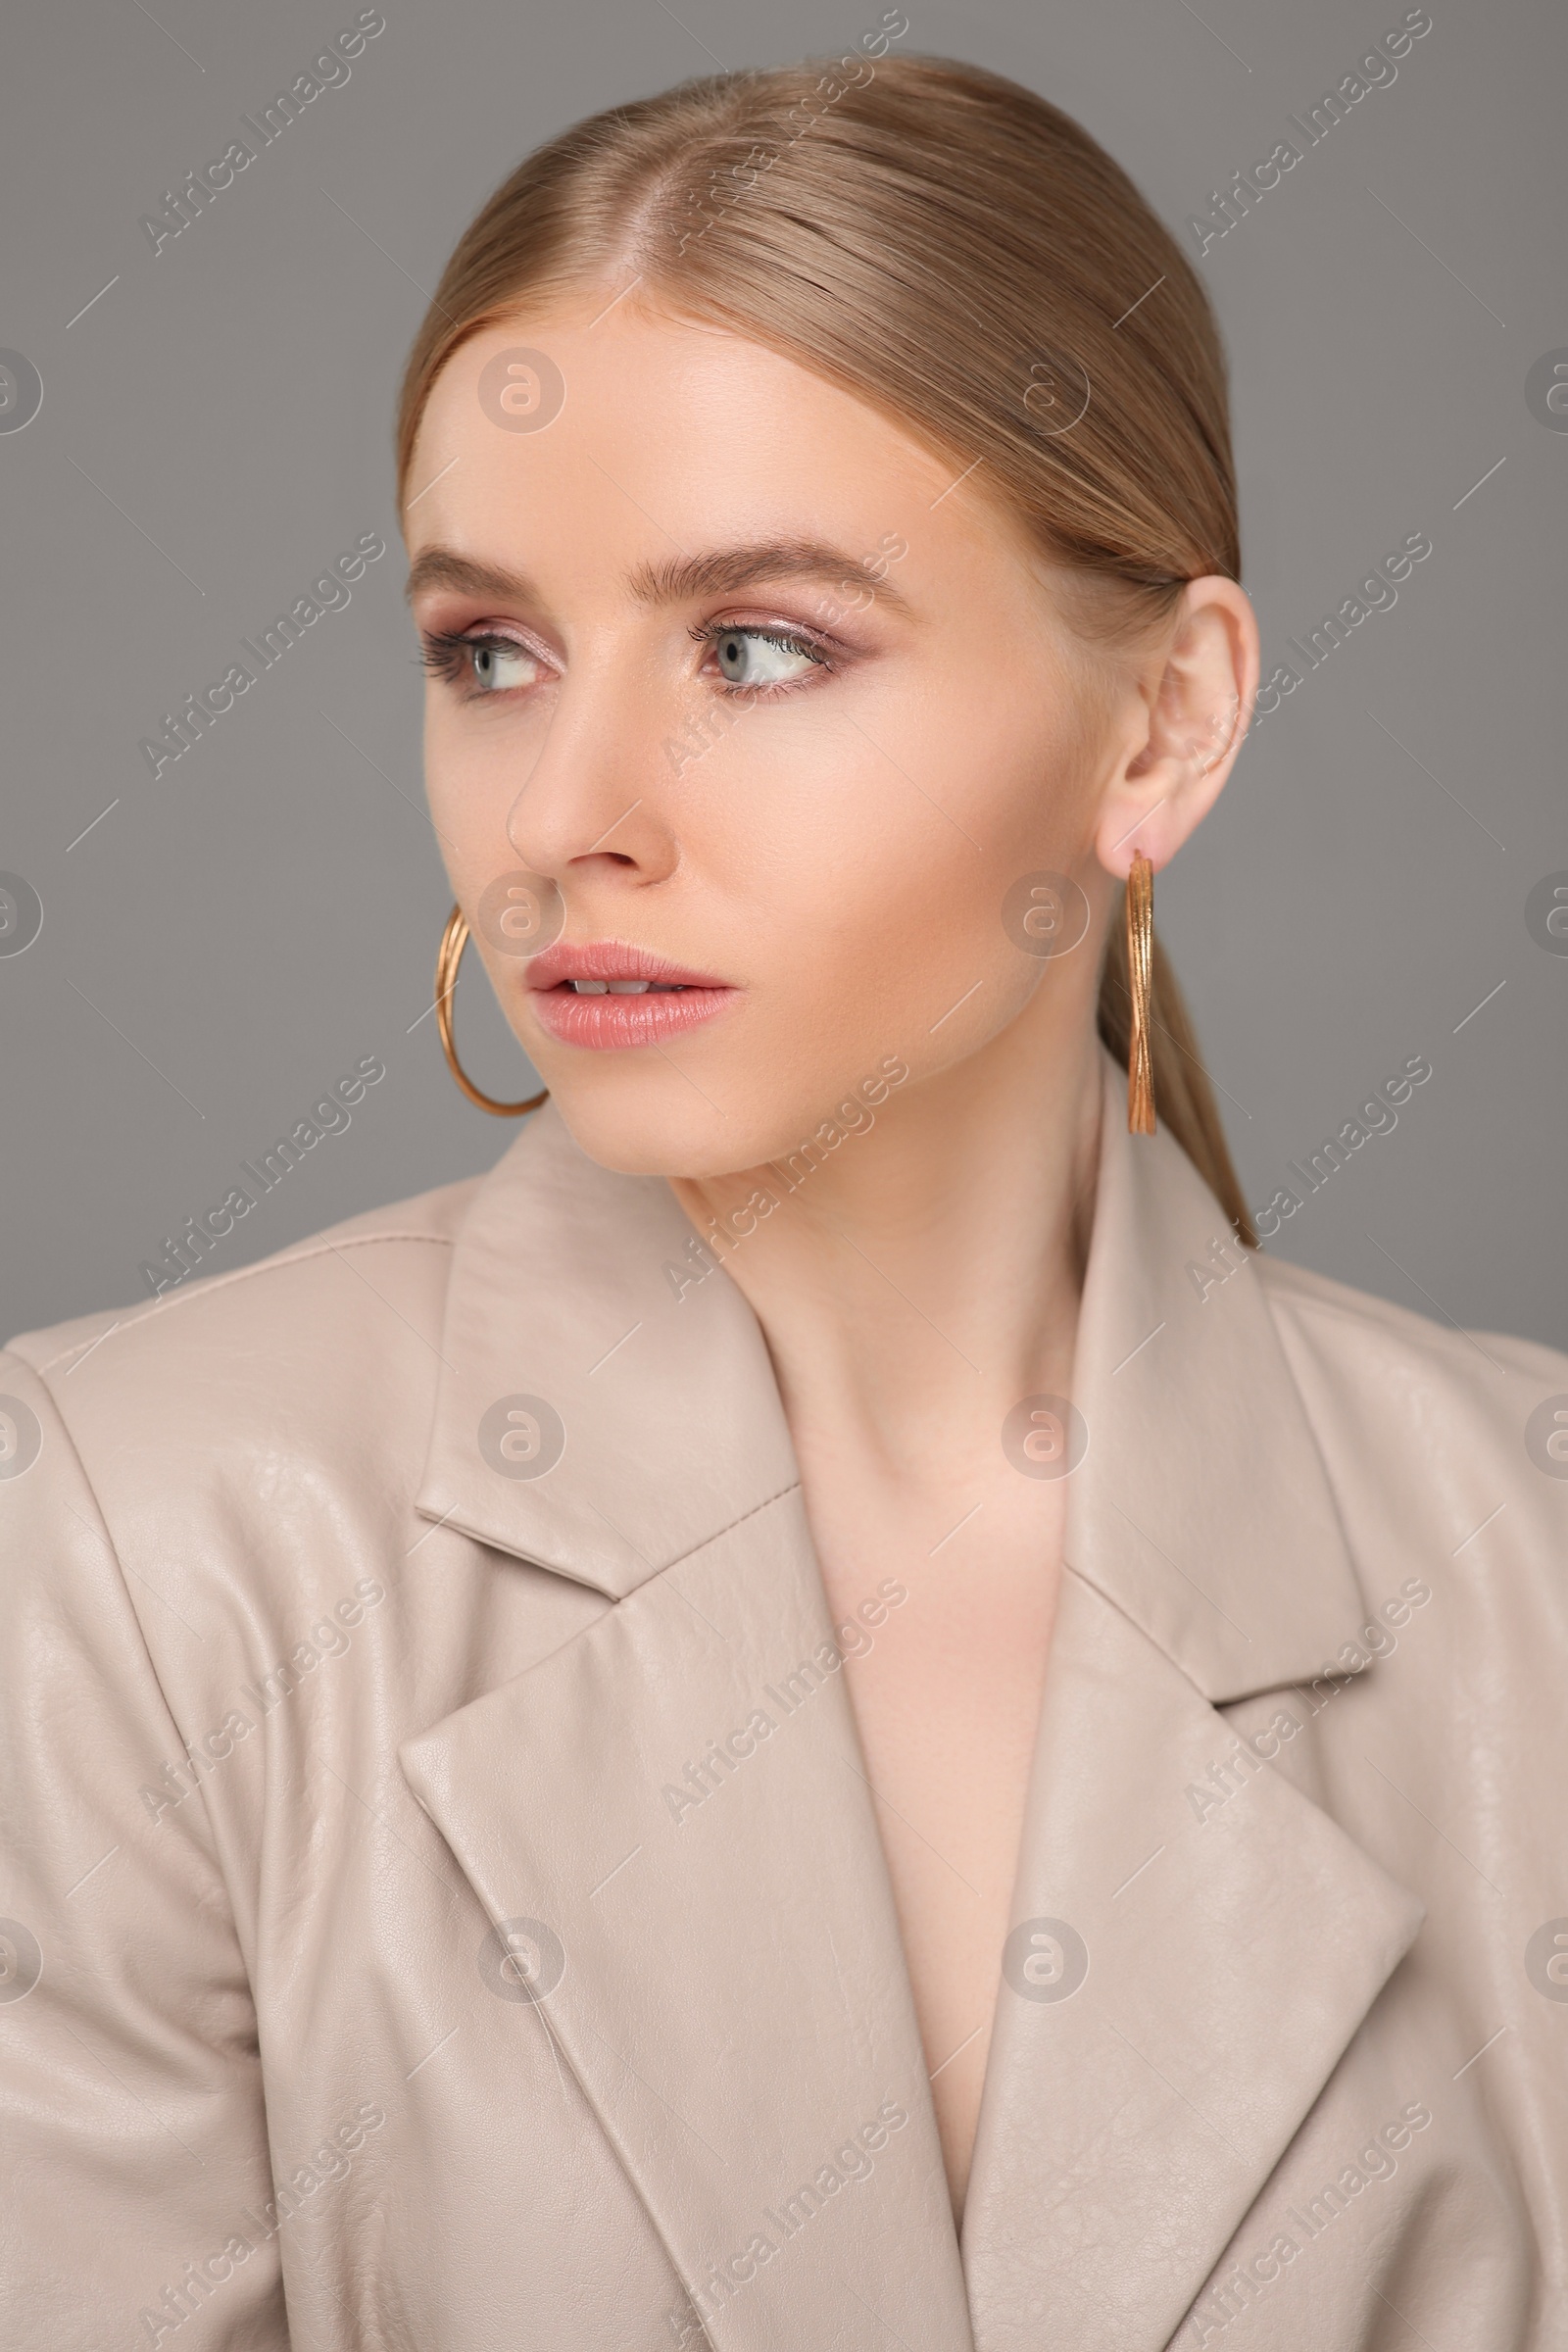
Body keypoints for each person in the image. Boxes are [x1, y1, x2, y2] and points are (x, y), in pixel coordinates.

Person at [3, 50, 1564, 2352]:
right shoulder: (126, 1546)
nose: (567, 814)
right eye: (488, 653)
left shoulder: (1527, 1573)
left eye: (753, 647)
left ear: (1160, 727)